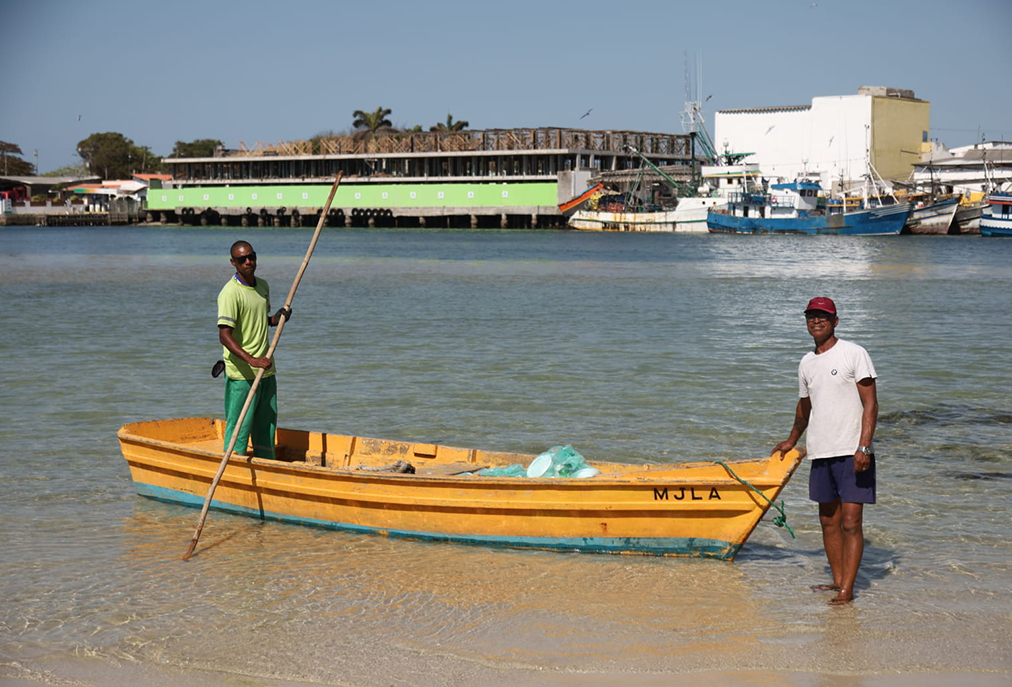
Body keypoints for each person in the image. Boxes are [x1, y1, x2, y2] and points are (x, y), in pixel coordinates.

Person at [773, 297, 878, 606]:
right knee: (828, 521)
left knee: (851, 521)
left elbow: (871, 403)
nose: (816, 321)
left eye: (822, 316)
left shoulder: (854, 353)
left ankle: (848, 589)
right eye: (811, 316)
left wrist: (864, 446)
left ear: (835, 321)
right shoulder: (806, 362)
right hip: (820, 451)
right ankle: (837, 580)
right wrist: (792, 439)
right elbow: (805, 406)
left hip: (852, 450)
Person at [217, 240, 291, 459]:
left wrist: (277, 319)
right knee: (239, 427)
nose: (249, 262)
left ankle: (266, 464)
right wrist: (251, 360)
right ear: (233, 263)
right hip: (242, 373)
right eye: (242, 259)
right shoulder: (230, 293)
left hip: (266, 369)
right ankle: (234, 465)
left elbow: (261, 320)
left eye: (252, 257)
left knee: (266, 425)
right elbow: (224, 335)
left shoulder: (263, 286)